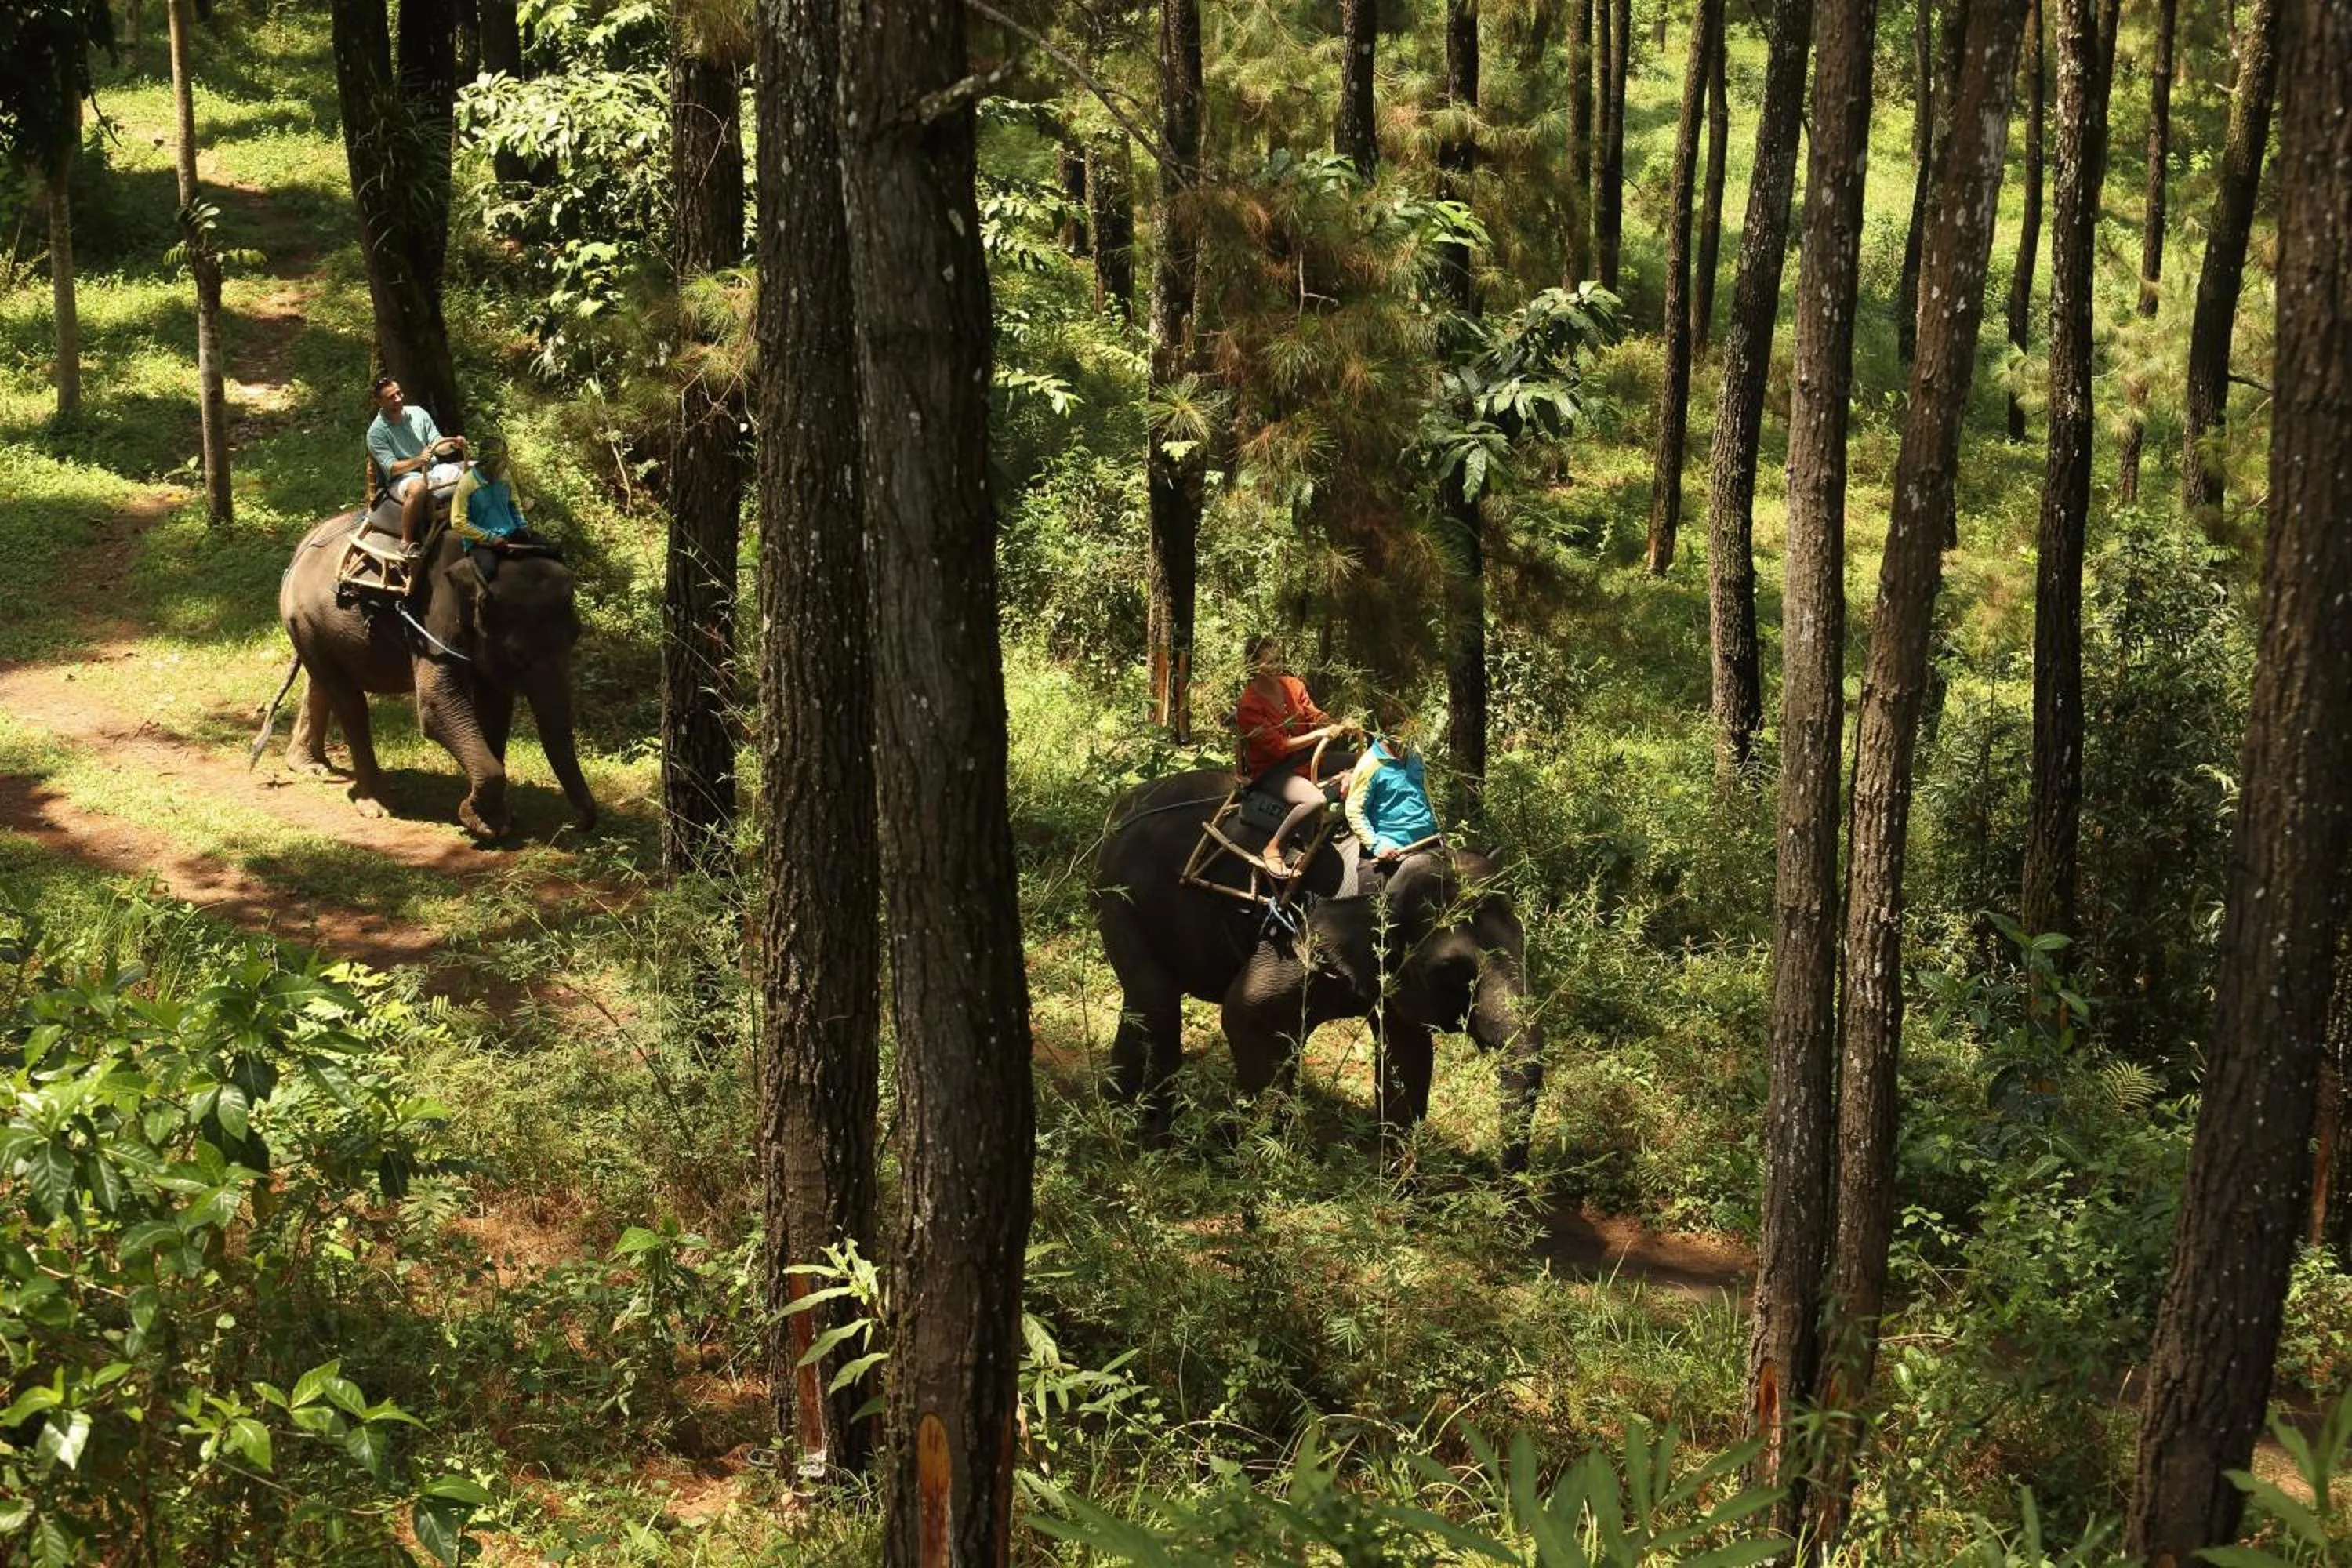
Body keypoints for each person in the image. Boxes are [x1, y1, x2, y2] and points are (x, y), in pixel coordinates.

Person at [1232, 634, 1352, 880]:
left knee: (1362, 762)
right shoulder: (1248, 705)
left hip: (1307, 760)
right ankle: (1275, 846)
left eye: (1277, 660)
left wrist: (1334, 724)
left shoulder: (1293, 685)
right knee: (1314, 801)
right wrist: (1319, 734)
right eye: (1268, 663)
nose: (1275, 667)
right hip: (1274, 771)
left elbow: (1314, 715)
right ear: (1253, 666)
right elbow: (1278, 747)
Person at [364, 375, 466, 554]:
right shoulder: (376, 432)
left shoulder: (418, 413)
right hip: (402, 479)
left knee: (479, 468)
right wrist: (418, 460)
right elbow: (392, 467)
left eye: (399, 393)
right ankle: (406, 542)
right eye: (391, 397)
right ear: (380, 402)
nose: (398, 399)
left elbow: (437, 444)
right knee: (418, 488)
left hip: (432, 470)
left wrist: (453, 445)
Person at [1344, 702, 1442, 864]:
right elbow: (1354, 810)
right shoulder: (1370, 764)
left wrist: (1435, 826)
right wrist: (1378, 847)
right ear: (1390, 729)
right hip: (1394, 850)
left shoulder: (1415, 755)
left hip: (1429, 841)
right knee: (1375, 890)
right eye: (1409, 727)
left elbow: (1425, 794)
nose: (1415, 733)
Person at [449, 432, 531, 576]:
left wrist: (523, 526)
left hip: (510, 533)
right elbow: (458, 522)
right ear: (488, 461)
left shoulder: (505, 476)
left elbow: (514, 504)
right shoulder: (467, 483)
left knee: (549, 549)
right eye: (501, 460)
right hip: (481, 543)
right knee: (489, 571)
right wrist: (490, 538)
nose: (505, 463)